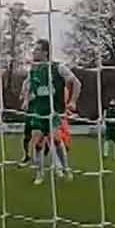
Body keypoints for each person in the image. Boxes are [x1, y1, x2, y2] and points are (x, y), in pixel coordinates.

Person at [20, 38, 79, 185]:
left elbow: (76, 83)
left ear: (45, 53)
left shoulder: (58, 68)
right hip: (38, 111)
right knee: (38, 142)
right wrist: (26, 100)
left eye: (37, 49)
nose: (34, 52)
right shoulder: (33, 70)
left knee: (56, 139)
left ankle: (65, 169)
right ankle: (39, 174)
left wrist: (72, 101)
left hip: (54, 111)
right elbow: (28, 86)